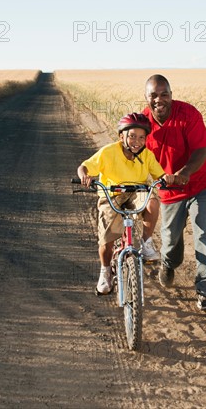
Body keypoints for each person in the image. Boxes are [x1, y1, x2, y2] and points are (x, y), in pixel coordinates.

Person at [142, 74, 206, 312]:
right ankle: (168, 264)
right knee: (170, 240)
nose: (159, 100)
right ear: (146, 98)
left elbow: (202, 151)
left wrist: (185, 172)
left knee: (203, 232)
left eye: (164, 94)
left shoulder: (189, 115)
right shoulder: (142, 124)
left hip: (200, 185)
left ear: (171, 95)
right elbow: (135, 155)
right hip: (169, 192)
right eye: (153, 95)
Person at [77, 112, 175, 295]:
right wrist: (85, 176)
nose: (136, 141)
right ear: (122, 136)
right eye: (131, 136)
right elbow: (84, 167)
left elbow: (159, 175)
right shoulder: (108, 152)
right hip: (112, 194)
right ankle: (105, 271)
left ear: (146, 139)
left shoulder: (147, 155)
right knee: (107, 240)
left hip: (137, 191)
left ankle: (146, 243)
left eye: (141, 137)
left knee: (152, 202)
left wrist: (166, 178)